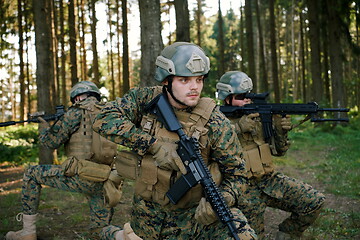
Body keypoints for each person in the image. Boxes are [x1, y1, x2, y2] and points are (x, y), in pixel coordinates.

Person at [93, 42, 257, 239]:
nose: (194, 87)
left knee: (242, 235)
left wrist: (225, 198)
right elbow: (103, 118)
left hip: (196, 220)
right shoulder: (144, 100)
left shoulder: (215, 120)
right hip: (148, 218)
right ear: (166, 80)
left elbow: (238, 173)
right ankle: (116, 235)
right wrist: (153, 145)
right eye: (184, 80)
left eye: (199, 79)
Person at [5, 81, 129, 240]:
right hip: (105, 179)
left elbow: (50, 142)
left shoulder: (76, 111)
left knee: (31, 174)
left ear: (77, 98)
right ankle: (125, 236)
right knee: (99, 230)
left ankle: (27, 232)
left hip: (81, 175)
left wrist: (43, 127)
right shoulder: (110, 113)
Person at [216, 71, 326, 239]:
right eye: (241, 96)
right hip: (241, 188)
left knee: (313, 201)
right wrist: (237, 129)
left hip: (268, 180)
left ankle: (286, 234)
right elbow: (210, 149)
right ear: (227, 98)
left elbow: (280, 152)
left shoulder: (258, 118)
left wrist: (281, 132)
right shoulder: (216, 122)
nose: (247, 100)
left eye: (249, 96)